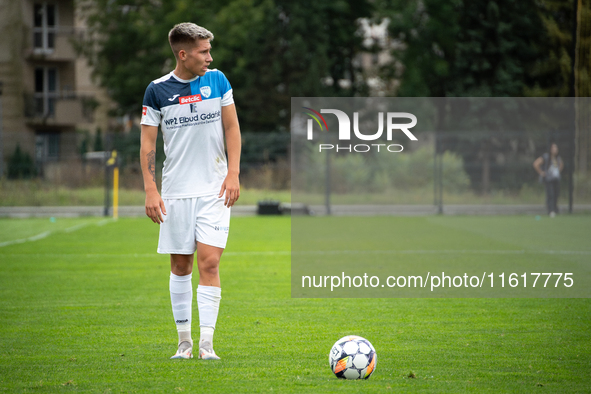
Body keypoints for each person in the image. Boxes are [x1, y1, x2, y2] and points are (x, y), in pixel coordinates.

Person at [140, 23, 241, 360]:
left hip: (214, 190)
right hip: (177, 193)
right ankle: (184, 342)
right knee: (181, 266)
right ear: (183, 54)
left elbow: (231, 127)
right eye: (203, 52)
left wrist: (233, 173)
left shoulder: (218, 81)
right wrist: (151, 190)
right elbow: (148, 143)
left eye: (209, 50)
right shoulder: (156, 91)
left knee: (209, 263)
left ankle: (206, 344)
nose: (209, 57)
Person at [533, 142, 563, 217]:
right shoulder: (546, 157)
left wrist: (558, 171)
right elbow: (536, 163)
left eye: (556, 148)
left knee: (556, 194)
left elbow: (561, 164)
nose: (555, 150)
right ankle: (551, 210)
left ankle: (555, 209)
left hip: (556, 179)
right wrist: (541, 172)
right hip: (548, 179)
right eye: (553, 148)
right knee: (550, 194)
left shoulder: (557, 158)